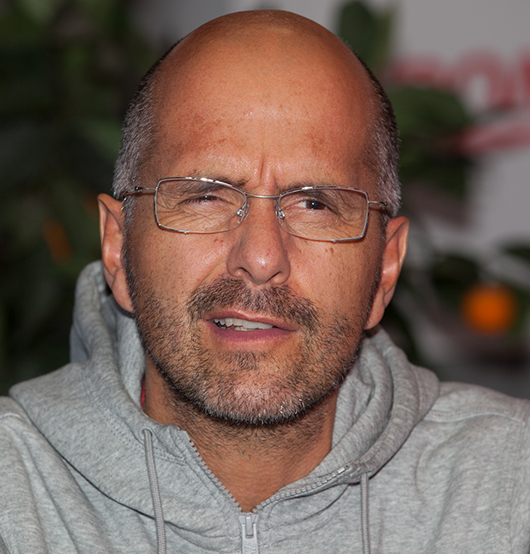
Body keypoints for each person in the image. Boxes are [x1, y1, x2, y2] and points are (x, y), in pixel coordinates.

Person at [1, 10, 529, 554]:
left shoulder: (514, 486)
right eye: (206, 195)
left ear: (386, 269)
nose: (259, 257)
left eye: (315, 204)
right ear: (117, 247)